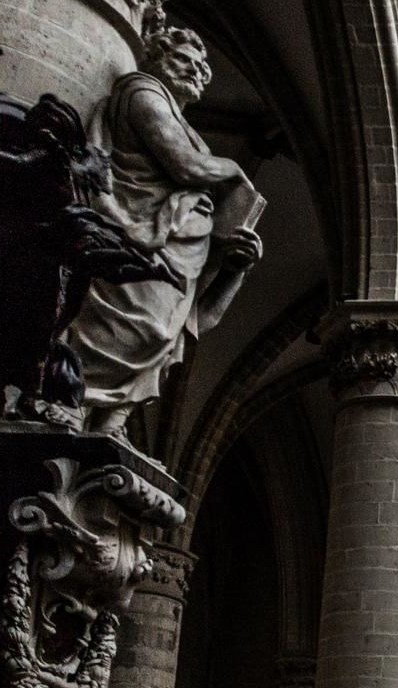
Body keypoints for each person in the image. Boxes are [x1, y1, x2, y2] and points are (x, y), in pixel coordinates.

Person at [66, 25, 264, 436]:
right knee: (127, 326)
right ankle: (71, 403)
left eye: (199, 67)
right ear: (155, 58)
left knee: (161, 331)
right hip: (143, 232)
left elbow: (199, 321)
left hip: (177, 246)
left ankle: (112, 423)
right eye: (182, 60)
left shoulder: (178, 117)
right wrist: (233, 171)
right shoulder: (143, 92)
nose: (193, 71)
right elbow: (186, 167)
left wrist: (234, 267)